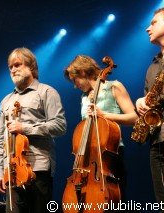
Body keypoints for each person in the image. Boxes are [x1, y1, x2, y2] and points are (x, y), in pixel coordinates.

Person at [0, 47, 67, 213]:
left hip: (38, 167)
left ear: (31, 67)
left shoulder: (46, 92)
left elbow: (60, 126)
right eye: (10, 67)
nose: (13, 69)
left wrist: (25, 128)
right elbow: (0, 140)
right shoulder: (6, 101)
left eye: (17, 65)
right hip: (11, 171)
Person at [63, 55, 138, 202]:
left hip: (110, 155)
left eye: (74, 80)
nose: (75, 86)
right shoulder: (85, 97)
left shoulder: (114, 86)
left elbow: (135, 118)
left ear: (83, 72)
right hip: (87, 157)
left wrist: (104, 115)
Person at [135, 8, 164, 210]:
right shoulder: (153, 66)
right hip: (157, 140)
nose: (147, 28)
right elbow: (147, 97)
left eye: (153, 23)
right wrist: (140, 102)